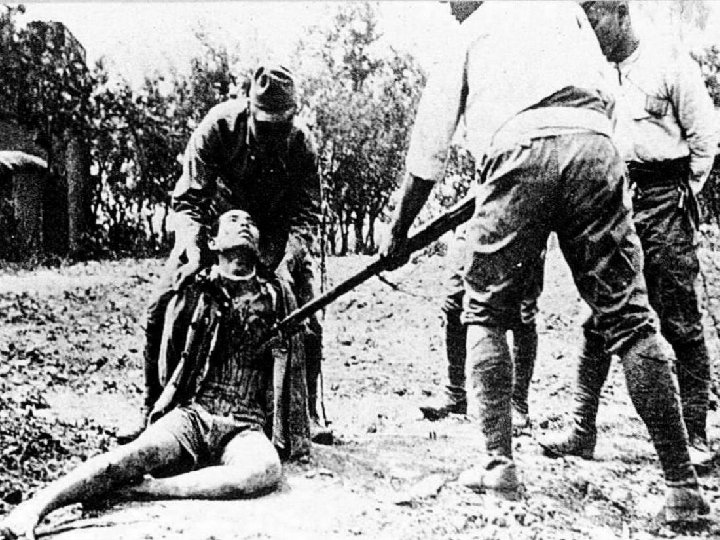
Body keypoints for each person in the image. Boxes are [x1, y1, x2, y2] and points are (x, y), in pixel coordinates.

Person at [380, 1, 708, 521]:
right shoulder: (562, 10)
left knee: (485, 313)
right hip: (595, 149)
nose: (450, 10)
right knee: (630, 318)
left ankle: (498, 465)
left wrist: (398, 231)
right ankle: (682, 487)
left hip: (518, 151)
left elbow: (428, 148)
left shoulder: (473, 31)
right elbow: (604, 99)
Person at [0, 209, 295, 540]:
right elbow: (170, 352)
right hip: (193, 416)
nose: (244, 225)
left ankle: (145, 490)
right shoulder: (195, 289)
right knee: (125, 459)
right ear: (212, 242)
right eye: (233, 220)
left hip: (245, 425)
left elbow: (292, 368)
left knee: (263, 471)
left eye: (251, 223)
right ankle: (34, 508)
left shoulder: (277, 296)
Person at [542, 1, 719, 469]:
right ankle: (581, 429)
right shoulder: (593, 71)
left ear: (620, 12)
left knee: (679, 313)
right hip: (615, 195)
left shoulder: (668, 60)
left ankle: (695, 435)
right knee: (600, 313)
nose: (591, 30)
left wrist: (679, 196)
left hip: (665, 195)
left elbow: (705, 138)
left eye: (595, 18)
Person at [129, 63, 331, 444]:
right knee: (161, 306)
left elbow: (307, 216)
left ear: (293, 117)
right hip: (218, 232)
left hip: (273, 239)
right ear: (250, 109)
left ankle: (306, 412)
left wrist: (286, 262)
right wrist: (193, 249)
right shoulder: (218, 127)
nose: (272, 135)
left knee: (307, 318)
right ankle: (151, 406)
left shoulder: (302, 146)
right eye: (264, 125)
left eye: (281, 126)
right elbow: (187, 201)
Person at [419, 224, 544, 434]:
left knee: (521, 311)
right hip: (473, 223)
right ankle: (455, 394)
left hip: (520, 220)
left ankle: (518, 403)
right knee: (455, 302)